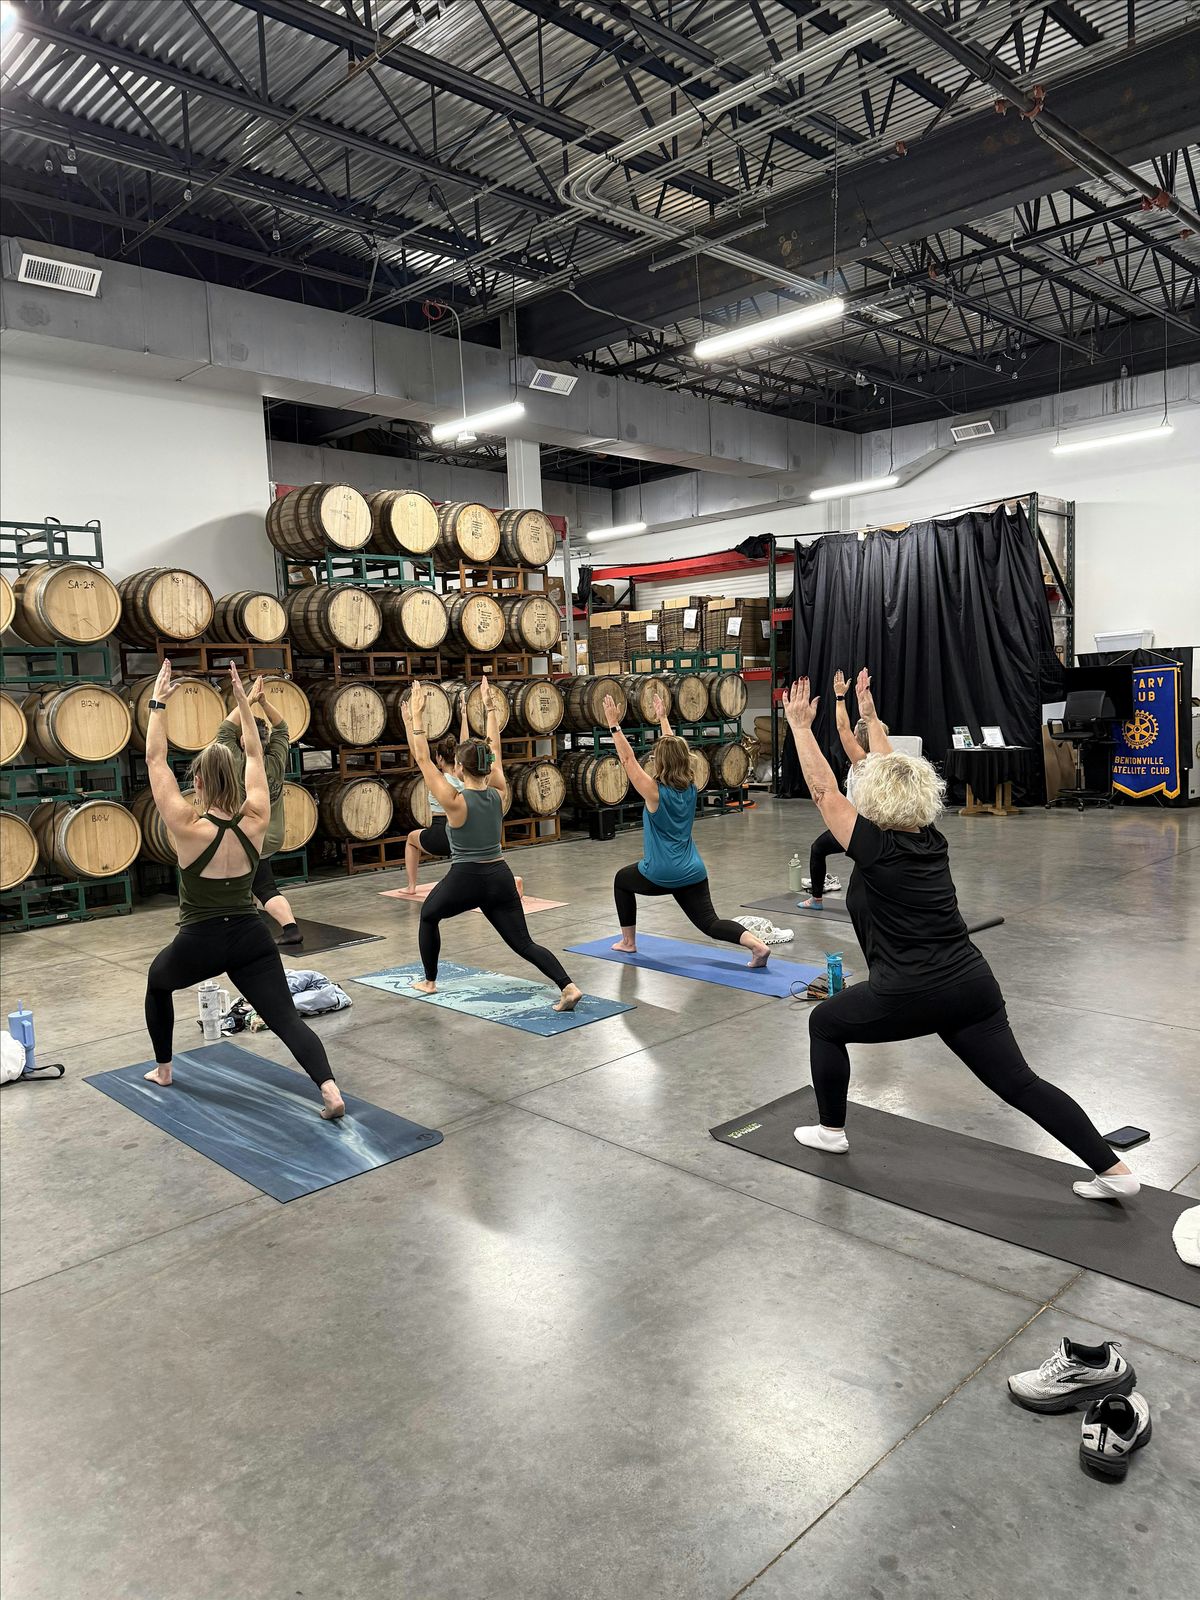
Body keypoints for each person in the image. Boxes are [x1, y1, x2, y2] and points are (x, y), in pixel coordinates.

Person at [781, 671, 1137, 1201]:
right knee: (1020, 1083)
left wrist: (799, 727)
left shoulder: (875, 847)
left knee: (825, 1024)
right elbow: (887, 767)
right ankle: (1116, 1174)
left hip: (909, 990)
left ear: (874, 804)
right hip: (971, 984)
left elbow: (823, 788)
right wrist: (868, 710)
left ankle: (831, 1131)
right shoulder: (930, 837)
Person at [142, 659, 345, 1120]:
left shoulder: (188, 826)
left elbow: (155, 759)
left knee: (158, 985)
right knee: (286, 1018)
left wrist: (158, 702)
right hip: (251, 937)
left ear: (196, 782)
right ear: (235, 781)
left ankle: (165, 1069)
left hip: (201, 941)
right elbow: (256, 755)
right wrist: (241, 700)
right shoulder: (255, 819)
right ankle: (330, 1089)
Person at [400, 679, 580, 1011]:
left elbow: (423, 760)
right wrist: (491, 708)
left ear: (458, 768)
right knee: (524, 942)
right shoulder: (499, 793)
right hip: (500, 875)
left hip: (466, 878)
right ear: (486, 767)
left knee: (428, 916)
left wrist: (417, 717)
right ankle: (567, 986)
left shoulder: (455, 801)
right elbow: (493, 748)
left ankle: (429, 980)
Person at [606, 691, 770, 967]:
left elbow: (628, 761)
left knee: (622, 881)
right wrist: (663, 718)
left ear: (659, 761)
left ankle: (629, 942)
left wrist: (614, 725)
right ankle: (757, 946)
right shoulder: (691, 786)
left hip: (661, 873)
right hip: (693, 870)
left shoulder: (654, 792)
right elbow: (674, 752)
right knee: (710, 923)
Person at [214, 678, 302, 945]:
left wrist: (248, 701)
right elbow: (283, 728)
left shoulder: (239, 760)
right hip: (273, 834)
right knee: (243, 877)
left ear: (244, 740)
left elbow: (223, 731)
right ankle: (246, 919)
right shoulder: (275, 758)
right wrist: (264, 702)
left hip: (250, 835)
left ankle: (290, 929)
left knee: (263, 886)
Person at [799, 669, 888, 910]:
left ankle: (816, 900)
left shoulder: (862, 763)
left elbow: (841, 727)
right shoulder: (887, 760)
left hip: (858, 827)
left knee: (818, 849)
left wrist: (840, 697)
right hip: (881, 829)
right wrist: (869, 712)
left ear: (860, 739)